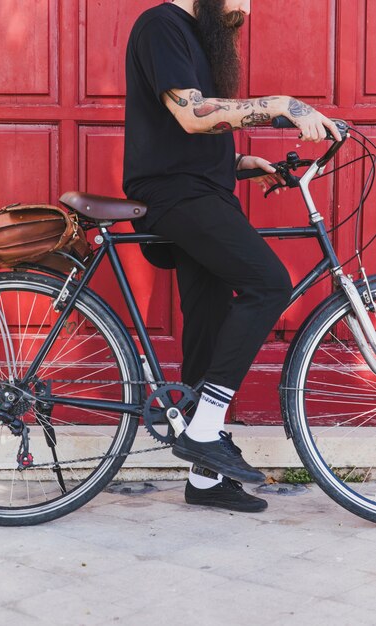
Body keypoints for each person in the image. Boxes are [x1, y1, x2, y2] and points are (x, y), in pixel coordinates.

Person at [122, 0, 342, 513]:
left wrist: (240, 163)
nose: (246, 8)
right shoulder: (160, 25)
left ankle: (204, 479)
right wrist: (285, 103)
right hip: (174, 196)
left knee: (210, 323)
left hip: (203, 192)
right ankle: (203, 432)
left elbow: (187, 137)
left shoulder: (197, 34)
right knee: (269, 281)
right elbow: (191, 114)